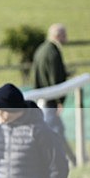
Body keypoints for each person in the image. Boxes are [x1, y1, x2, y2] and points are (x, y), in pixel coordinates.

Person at [31, 23, 75, 164]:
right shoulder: (53, 52)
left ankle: (73, 160)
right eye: (64, 35)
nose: (66, 38)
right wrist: (59, 100)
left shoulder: (41, 49)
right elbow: (55, 77)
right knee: (56, 133)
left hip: (41, 98)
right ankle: (68, 161)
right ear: (58, 35)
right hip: (50, 101)